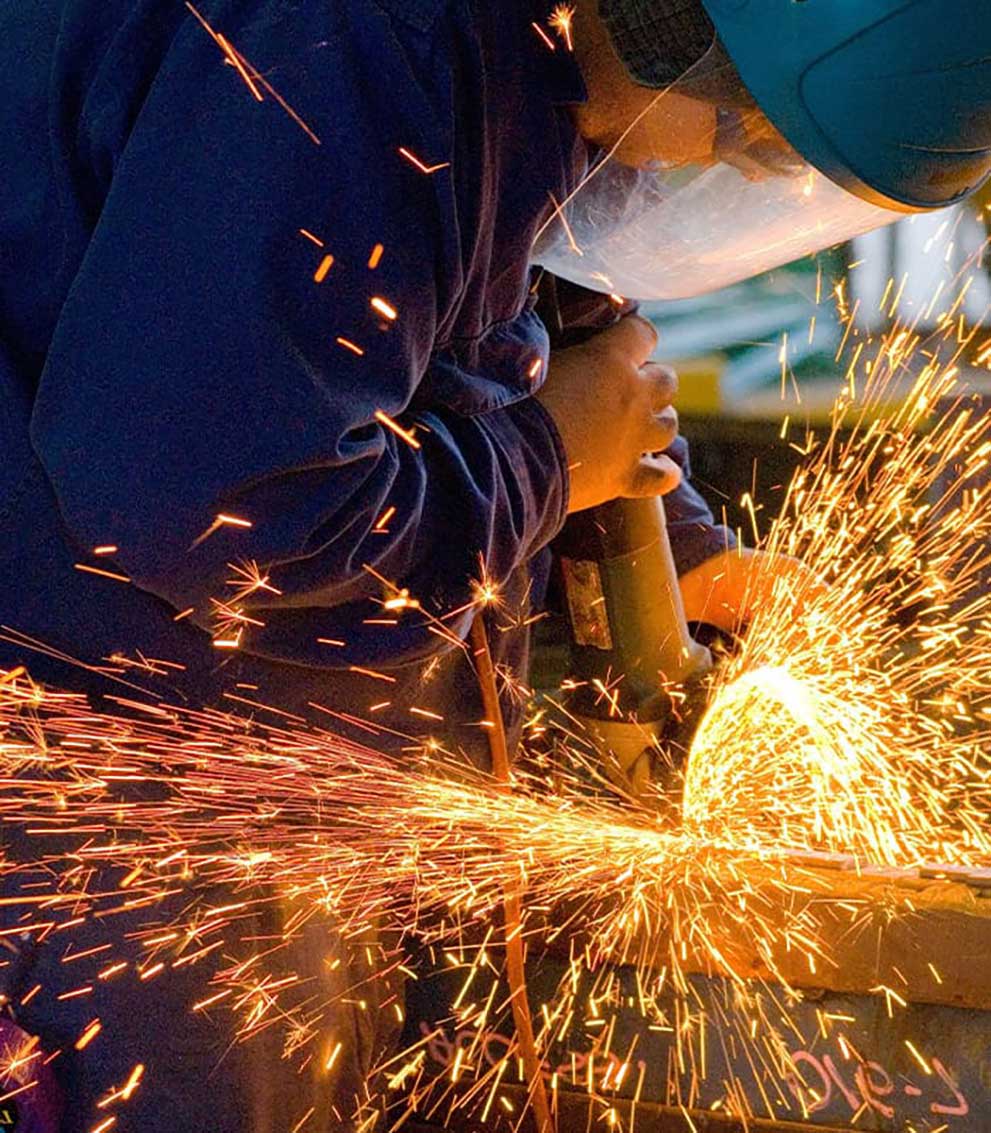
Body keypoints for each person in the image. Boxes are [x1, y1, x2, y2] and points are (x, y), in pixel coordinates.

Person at [1, 0, 989, 1128]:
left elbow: (508, 307)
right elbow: (206, 502)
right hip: (112, 816)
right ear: (673, 26)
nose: (720, 169)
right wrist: (551, 459)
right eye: (740, 137)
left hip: (269, 798)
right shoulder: (364, 47)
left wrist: (670, 535)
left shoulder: (516, 52)